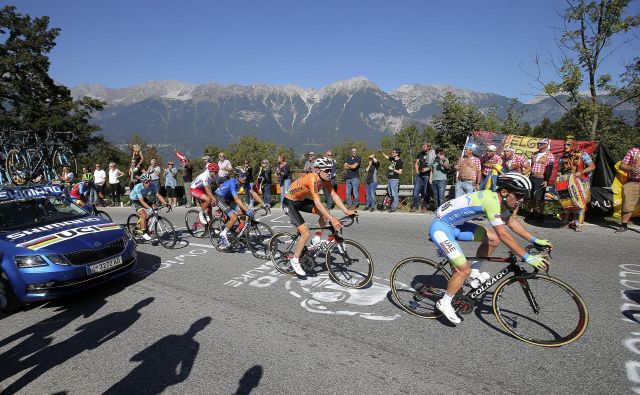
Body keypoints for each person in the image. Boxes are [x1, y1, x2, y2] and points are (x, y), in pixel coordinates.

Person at [429, 173, 553, 324]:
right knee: (463, 269)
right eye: (519, 196)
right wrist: (527, 257)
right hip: (441, 228)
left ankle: (474, 272)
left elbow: (510, 221)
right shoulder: (491, 201)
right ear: (505, 192)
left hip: (457, 226)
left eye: (523, 197)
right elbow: (503, 234)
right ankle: (445, 302)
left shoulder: (498, 200)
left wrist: (536, 240)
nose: (521, 200)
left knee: (492, 240)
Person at [282, 157, 357, 276]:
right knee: (305, 233)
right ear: (317, 170)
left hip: (300, 201)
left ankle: (316, 238)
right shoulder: (312, 178)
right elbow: (317, 202)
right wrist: (333, 220)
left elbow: (334, 195)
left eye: (330, 170)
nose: (329, 173)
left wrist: (346, 211)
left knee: (325, 212)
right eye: (326, 170)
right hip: (289, 203)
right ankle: (295, 260)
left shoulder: (325, 180)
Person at [215, 167, 266, 249]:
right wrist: (248, 210)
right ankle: (223, 234)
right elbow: (237, 199)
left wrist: (264, 203)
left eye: (245, 175)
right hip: (221, 198)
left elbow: (253, 193)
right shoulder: (232, 182)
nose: (244, 177)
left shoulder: (245, 182)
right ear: (237, 176)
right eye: (242, 176)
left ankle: (239, 231)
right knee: (234, 218)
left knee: (242, 211)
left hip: (229, 198)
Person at [556, 135, 595, 231]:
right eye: (565, 144)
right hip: (567, 181)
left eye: (568, 145)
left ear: (573, 145)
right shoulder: (563, 157)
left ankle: (579, 224)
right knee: (567, 201)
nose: (566, 146)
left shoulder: (583, 154)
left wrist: (581, 172)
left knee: (581, 203)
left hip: (582, 181)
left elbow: (592, 166)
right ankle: (567, 221)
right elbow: (560, 170)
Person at [129, 174, 170, 241]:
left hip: (143, 198)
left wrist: (165, 203)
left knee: (154, 207)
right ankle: (144, 233)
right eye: (146, 182)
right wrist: (149, 208)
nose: (148, 183)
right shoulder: (138, 187)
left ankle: (147, 224)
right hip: (134, 200)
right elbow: (141, 201)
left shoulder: (153, 186)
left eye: (149, 181)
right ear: (142, 182)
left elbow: (158, 195)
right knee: (143, 214)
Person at [528, 139, 555, 222]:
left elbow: (549, 169)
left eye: (541, 144)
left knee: (540, 198)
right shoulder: (534, 154)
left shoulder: (549, 155)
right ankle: (531, 212)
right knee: (532, 196)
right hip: (532, 177)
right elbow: (531, 165)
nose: (539, 145)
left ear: (546, 145)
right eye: (538, 143)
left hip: (541, 178)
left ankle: (540, 214)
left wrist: (546, 180)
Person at [616, 145, 640, 233]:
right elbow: (622, 166)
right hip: (633, 181)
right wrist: (631, 168)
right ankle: (624, 226)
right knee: (627, 203)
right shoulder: (634, 151)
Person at [412, 142, 436, 212]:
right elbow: (416, 163)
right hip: (419, 175)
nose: (423, 147)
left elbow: (433, 165)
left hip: (427, 175)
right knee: (415, 191)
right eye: (422, 146)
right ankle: (415, 206)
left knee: (426, 192)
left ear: (428, 147)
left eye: (424, 146)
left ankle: (425, 207)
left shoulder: (432, 154)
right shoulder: (420, 154)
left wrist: (427, 169)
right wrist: (417, 171)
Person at [380, 148, 403, 212]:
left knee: (394, 194)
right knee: (390, 193)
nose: (392, 153)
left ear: (397, 154)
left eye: (393, 152)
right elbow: (386, 156)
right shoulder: (393, 159)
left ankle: (394, 207)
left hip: (394, 179)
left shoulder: (400, 162)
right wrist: (381, 152)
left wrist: (392, 169)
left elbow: (400, 172)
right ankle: (392, 205)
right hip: (390, 179)